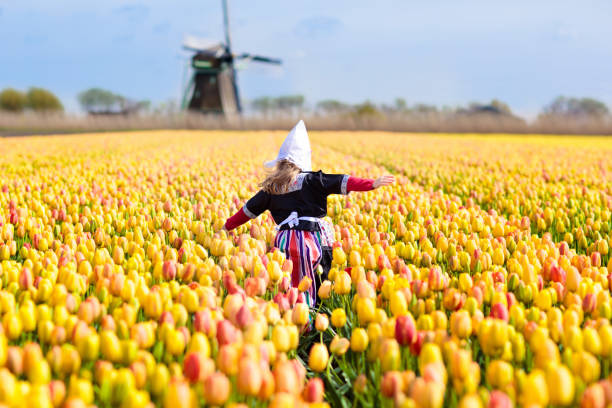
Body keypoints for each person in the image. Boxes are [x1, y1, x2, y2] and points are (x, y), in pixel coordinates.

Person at [224, 120, 394, 307]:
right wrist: (371, 184)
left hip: (284, 242)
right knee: (319, 276)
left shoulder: (271, 188)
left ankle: (290, 311)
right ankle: (315, 312)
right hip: (311, 239)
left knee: (287, 279)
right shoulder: (313, 180)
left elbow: (247, 211)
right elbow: (342, 181)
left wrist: (227, 226)